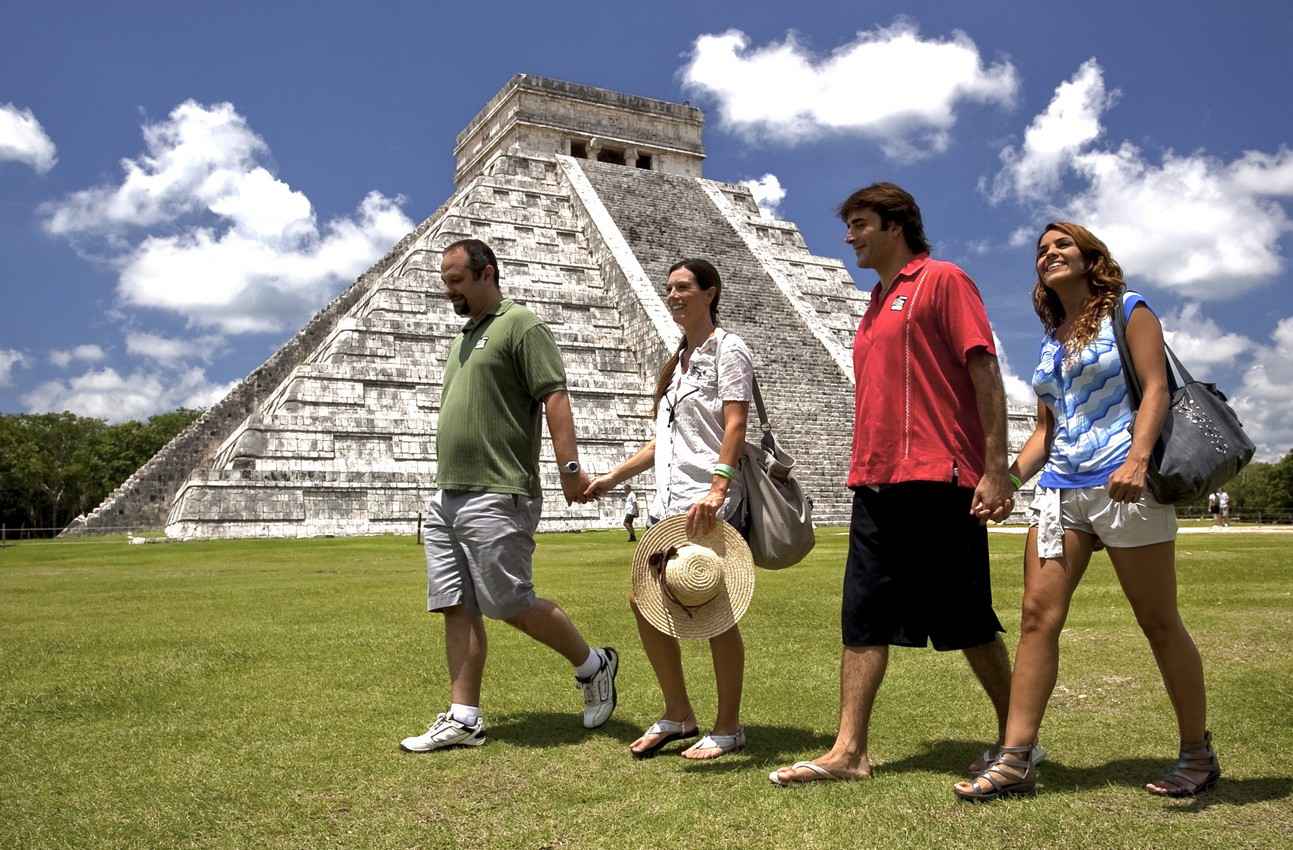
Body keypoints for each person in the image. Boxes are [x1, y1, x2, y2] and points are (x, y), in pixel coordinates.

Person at [954, 222, 1218, 800]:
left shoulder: (1130, 310)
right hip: (1060, 490)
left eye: (1061, 245)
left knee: (1158, 621)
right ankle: (1016, 757)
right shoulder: (1051, 338)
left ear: (1090, 255)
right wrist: (1006, 481)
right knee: (1036, 617)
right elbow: (1045, 431)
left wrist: (1138, 460)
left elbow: (1155, 389)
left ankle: (1198, 754)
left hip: (1125, 485)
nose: (1049, 254)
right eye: (1041, 250)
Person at [770, 182, 1018, 786]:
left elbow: (984, 371)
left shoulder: (943, 280)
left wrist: (995, 469)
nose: (848, 237)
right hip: (876, 481)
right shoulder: (876, 303)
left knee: (967, 618)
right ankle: (849, 750)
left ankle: (1019, 737)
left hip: (938, 477)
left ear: (895, 226)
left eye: (860, 224)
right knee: (862, 616)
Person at [399, 238, 619, 753]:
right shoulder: (464, 336)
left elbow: (554, 396)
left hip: (498, 491)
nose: (448, 291)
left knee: (509, 604)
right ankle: (464, 718)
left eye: (456, 280)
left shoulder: (521, 325)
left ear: (486, 273)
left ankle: (593, 665)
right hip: (447, 494)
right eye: (445, 281)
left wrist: (570, 470)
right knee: (455, 605)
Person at [585, 258, 754, 760]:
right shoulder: (677, 360)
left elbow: (735, 425)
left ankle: (728, 726)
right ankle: (679, 712)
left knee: (718, 613)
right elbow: (665, 441)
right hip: (668, 504)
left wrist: (718, 488)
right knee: (645, 603)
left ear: (710, 292)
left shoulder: (729, 349)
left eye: (683, 288)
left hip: (706, 503)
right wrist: (613, 477)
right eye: (669, 289)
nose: (673, 296)